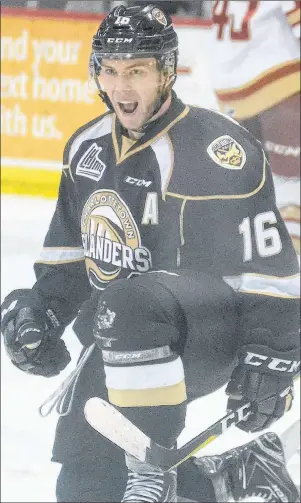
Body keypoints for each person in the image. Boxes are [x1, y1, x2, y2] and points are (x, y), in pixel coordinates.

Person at [1, 4, 300, 502]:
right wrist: (42, 313)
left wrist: (273, 356)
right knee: (84, 486)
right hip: (124, 338)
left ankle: (151, 477)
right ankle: (238, 475)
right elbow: (69, 263)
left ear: (166, 72)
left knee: (128, 302)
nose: (122, 87)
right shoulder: (87, 149)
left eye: (137, 71)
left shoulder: (216, 150)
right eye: (111, 71)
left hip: (210, 333)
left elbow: (272, 269)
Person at [209, 0, 300, 256]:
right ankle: (291, 273)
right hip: (280, 80)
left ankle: (250, 262)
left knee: (248, 186)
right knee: (291, 186)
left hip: (229, 87)